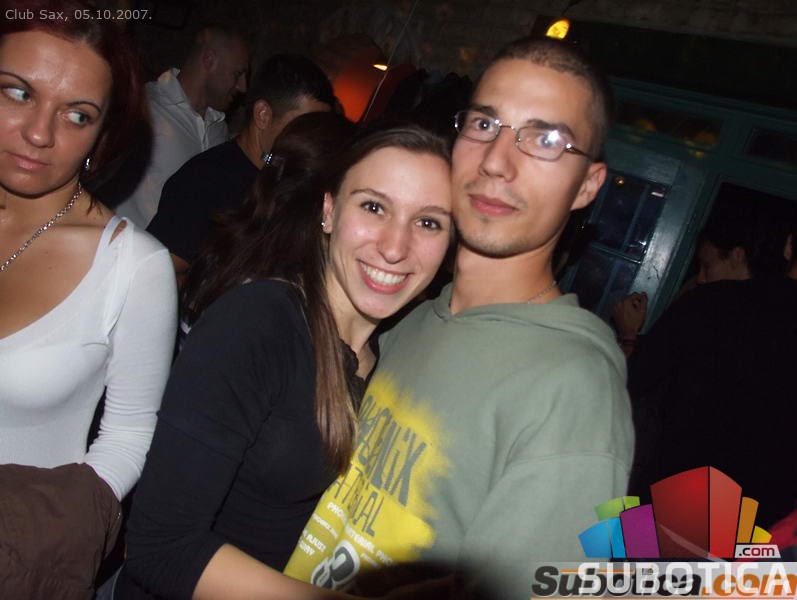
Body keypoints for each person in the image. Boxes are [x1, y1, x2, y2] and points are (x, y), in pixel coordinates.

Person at [284, 37, 634, 599]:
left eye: (546, 140)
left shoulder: (575, 390)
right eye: (484, 124)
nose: (496, 161)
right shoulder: (410, 321)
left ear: (588, 185)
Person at [113, 114, 454, 599]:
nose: (395, 247)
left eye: (428, 222)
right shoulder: (258, 324)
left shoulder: (397, 349)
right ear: (329, 211)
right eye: (374, 207)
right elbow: (158, 547)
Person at [0, 1, 177, 597]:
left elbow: (130, 434)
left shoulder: (134, 266)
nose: (39, 133)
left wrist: (34, 534)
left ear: (102, 136)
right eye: (17, 93)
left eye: (77, 115)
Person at [627, 222, 797, 528]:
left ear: (789, 246)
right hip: (759, 530)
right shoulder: (710, 300)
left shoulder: (708, 301)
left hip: (668, 503)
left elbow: (633, 384)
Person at [147, 54, 336, 286]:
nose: (313, 139)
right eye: (304, 126)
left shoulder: (289, 181)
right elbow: (156, 273)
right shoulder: (206, 179)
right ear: (263, 115)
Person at [112, 25, 249, 228]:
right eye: (237, 74)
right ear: (209, 60)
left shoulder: (219, 128)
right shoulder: (145, 108)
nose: (243, 87)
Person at [613, 219, 755, 355]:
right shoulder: (703, 298)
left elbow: (650, 368)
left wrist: (628, 336)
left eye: (707, 266)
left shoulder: (735, 322)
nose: (700, 278)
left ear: (737, 255)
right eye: (699, 268)